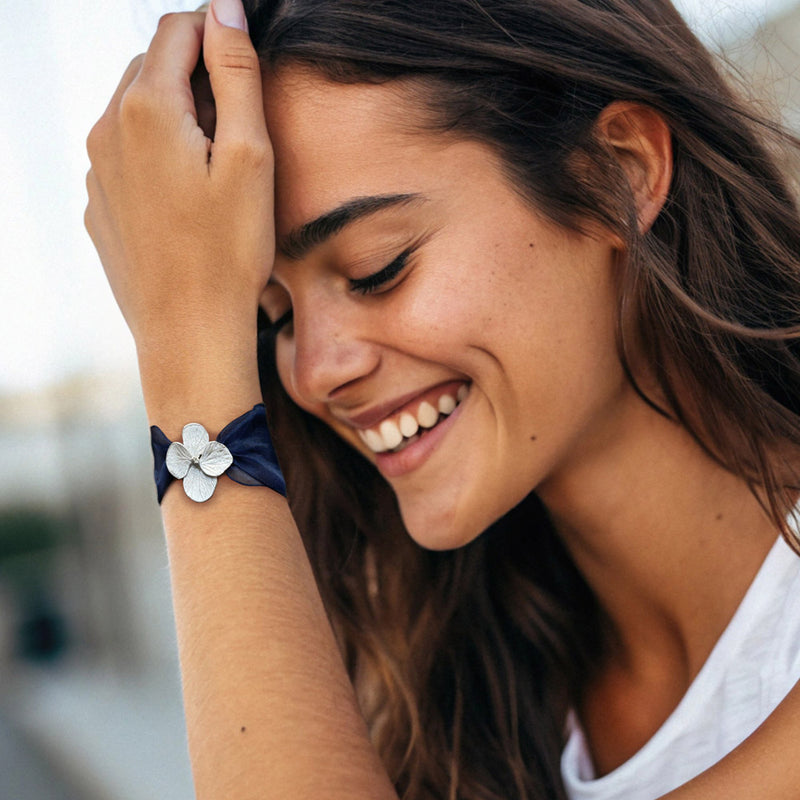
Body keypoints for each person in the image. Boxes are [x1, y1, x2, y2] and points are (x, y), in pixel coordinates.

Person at [84, 0, 800, 798]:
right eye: (273, 317)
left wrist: (191, 374)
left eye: (377, 268)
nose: (316, 371)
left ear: (617, 175)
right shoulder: (454, 702)